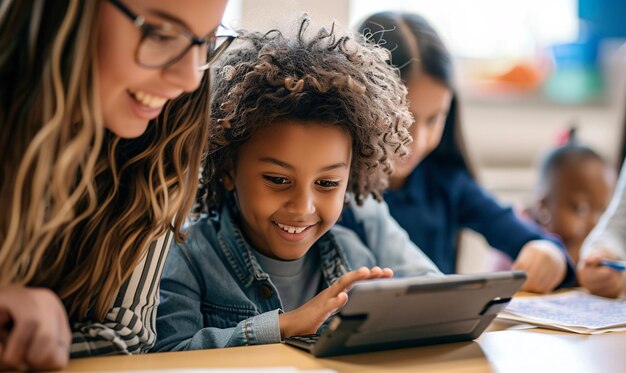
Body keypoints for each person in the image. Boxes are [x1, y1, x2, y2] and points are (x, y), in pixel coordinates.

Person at [153, 17, 442, 352]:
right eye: (278, 180)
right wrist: (284, 326)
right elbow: (166, 353)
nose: (303, 207)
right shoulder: (189, 256)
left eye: (327, 183)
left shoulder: (353, 255)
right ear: (229, 168)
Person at [0, 0, 234, 369]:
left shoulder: (167, 141)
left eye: (204, 42)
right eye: (160, 33)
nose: (190, 79)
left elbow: (128, 332)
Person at [341, 12, 576, 293]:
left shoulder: (447, 181)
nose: (417, 139)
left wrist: (548, 253)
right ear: (358, 104)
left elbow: (531, 240)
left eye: (434, 119)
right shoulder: (328, 189)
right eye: (402, 118)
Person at [525, 129, 615, 266]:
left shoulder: (602, 246)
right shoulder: (518, 241)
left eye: (603, 212)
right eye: (579, 208)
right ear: (543, 207)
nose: (594, 224)